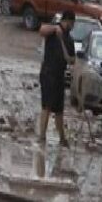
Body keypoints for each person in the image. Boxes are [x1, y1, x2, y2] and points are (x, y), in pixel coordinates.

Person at [38, 10, 76, 147]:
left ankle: (62, 138)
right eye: (71, 23)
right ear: (66, 21)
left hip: (60, 76)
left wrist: (70, 58)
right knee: (46, 106)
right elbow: (41, 30)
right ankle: (42, 136)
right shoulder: (53, 31)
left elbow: (72, 60)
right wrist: (55, 28)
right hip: (48, 73)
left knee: (59, 109)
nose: (72, 26)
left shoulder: (69, 40)